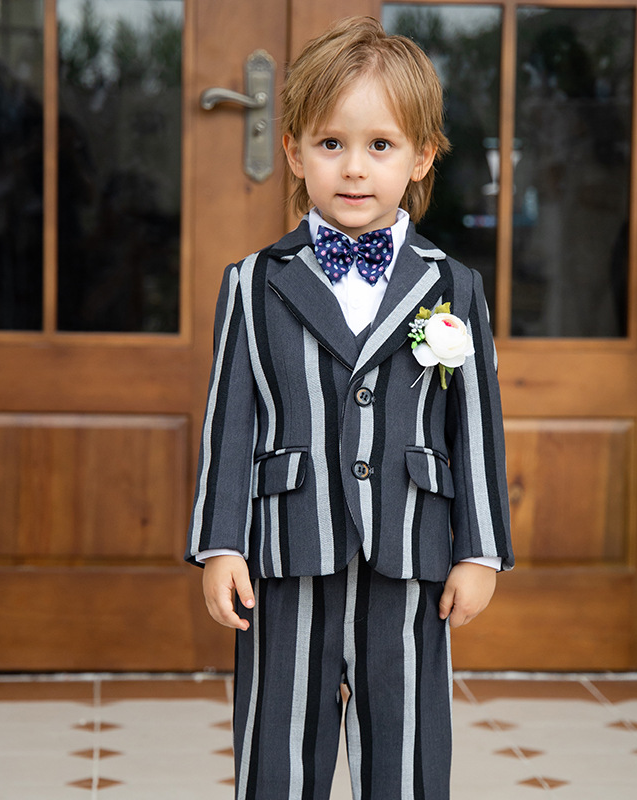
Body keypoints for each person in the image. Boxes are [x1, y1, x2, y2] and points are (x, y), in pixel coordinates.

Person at [185, 16, 513, 799]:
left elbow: (476, 427)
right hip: (287, 549)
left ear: (422, 155)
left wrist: (480, 552)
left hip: (410, 550)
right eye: (331, 143)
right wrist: (220, 543)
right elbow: (230, 421)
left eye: (381, 145)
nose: (355, 168)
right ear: (294, 151)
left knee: (407, 747)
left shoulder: (453, 287)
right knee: (277, 744)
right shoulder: (253, 283)